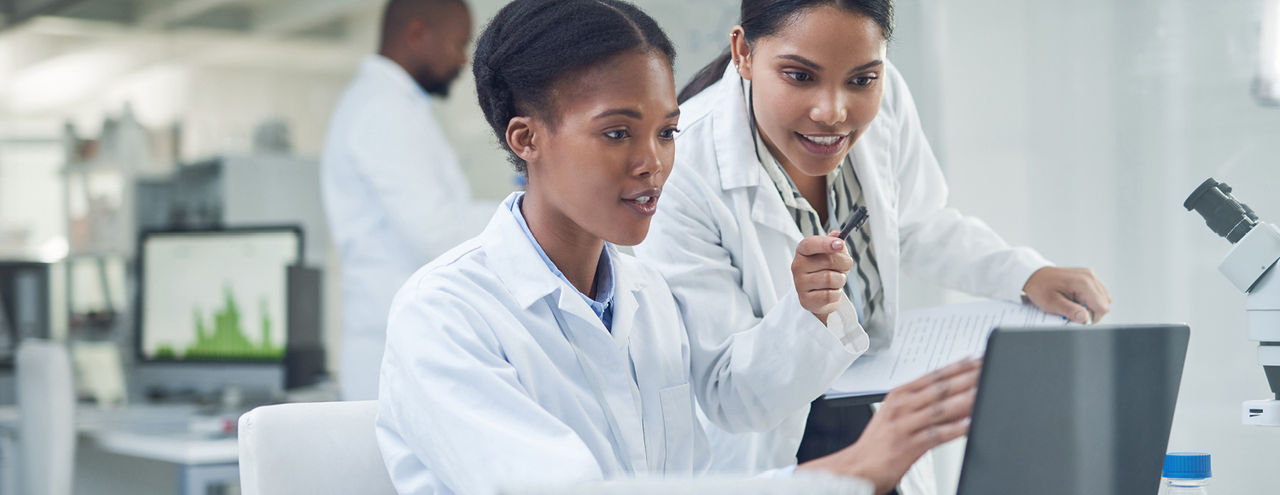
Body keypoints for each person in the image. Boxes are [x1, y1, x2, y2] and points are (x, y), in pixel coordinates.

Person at [375, 1, 979, 494]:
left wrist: (810, 315)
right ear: (526, 138)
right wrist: (839, 473)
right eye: (617, 133)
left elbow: (691, 482)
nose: (653, 163)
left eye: (667, 132)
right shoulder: (445, 314)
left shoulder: (648, 299)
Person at [633, 0, 1113, 493]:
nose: (833, 112)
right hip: (767, 450)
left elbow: (916, 223)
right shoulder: (682, 166)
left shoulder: (888, 94)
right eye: (800, 76)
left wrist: (1022, 275)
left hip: (866, 409)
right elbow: (728, 392)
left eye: (862, 80)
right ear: (744, 53)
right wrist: (809, 313)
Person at [321, 0, 495, 400]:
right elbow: (437, 233)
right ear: (417, 34)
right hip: (392, 351)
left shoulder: (395, 106)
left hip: (406, 343)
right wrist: (534, 211)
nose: (463, 59)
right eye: (458, 44)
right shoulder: (381, 109)